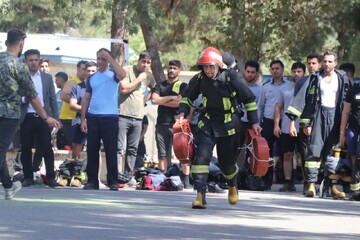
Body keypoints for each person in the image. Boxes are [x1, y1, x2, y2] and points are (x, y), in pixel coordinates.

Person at [177, 47, 261, 209]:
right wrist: (182, 112)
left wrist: (255, 122)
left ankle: (232, 184)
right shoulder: (199, 79)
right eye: (205, 66)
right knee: (201, 158)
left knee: (226, 165)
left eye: (210, 66)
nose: (207, 70)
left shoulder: (232, 77)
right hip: (207, 123)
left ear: (218, 66)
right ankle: (200, 196)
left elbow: (249, 99)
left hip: (230, 125)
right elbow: (187, 97)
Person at [0, 29, 60, 199]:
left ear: (6, 43)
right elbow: (33, 96)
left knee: (1, 150)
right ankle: (9, 185)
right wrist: (45, 116)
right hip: (9, 115)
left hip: (8, 114)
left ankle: (8, 185)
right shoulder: (19, 67)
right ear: (21, 44)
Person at [286, 51, 351, 197]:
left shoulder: (343, 79)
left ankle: (332, 186)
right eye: (325, 61)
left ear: (335, 63)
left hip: (335, 117)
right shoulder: (315, 78)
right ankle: (310, 185)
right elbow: (301, 99)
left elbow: (349, 103)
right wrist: (295, 122)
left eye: (330, 61)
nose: (327, 64)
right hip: (317, 117)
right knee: (313, 150)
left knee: (333, 153)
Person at [81, 48, 126, 191]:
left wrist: (111, 59)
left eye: (104, 59)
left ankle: (112, 181)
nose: (101, 61)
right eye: (99, 58)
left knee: (111, 150)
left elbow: (122, 74)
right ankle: (92, 181)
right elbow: (86, 97)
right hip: (93, 116)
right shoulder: (91, 77)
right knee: (92, 150)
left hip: (110, 117)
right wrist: (83, 118)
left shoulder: (113, 74)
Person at [20, 49, 59, 187]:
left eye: (36, 60)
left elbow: (53, 99)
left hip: (44, 117)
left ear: (40, 61)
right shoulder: (21, 77)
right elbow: (16, 97)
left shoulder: (47, 78)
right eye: (31, 60)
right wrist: (25, 99)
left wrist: (55, 118)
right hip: (27, 116)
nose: (34, 63)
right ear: (25, 61)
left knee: (47, 148)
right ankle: (28, 177)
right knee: (25, 149)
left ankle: (51, 177)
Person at [151, 60, 189, 185]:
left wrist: (163, 100)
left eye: (174, 68)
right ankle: (162, 177)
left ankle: (186, 179)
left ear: (179, 70)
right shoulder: (160, 85)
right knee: (162, 153)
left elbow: (180, 102)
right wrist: (172, 97)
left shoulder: (183, 86)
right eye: (170, 67)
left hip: (177, 124)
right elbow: (154, 100)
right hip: (161, 124)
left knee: (182, 153)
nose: (172, 70)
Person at [118, 51, 156, 174]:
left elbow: (155, 88)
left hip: (138, 117)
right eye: (143, 61)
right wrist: (139, 79)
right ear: (139, 61)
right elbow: (124, 89)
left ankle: (128, 175)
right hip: (123, 115)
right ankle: (115, 174)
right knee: (119, 148)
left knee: (133, 149)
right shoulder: (127, 70)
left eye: (148, 63)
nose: (145, 65)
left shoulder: (149, 76)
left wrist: (145, 100)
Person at [257, 60, 292, 189]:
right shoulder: (265, 87)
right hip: (267, 122)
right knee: (267, 152)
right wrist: (258, 123)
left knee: (286, 152)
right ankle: (266, 181)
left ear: (282, 70)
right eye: (272, 68)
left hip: (285, 122)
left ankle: (287, 181)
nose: (274, 71)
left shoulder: (289, 86)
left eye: (277, 68)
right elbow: (260, 106)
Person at [293, 53, 322, 194]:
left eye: (314, 63)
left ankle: (324, 183)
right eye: (309, 63)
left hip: (322, 123)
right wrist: (297, 124)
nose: (311, 66)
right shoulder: (301, 82)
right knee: (305, 153)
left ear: (320, 64)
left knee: (323, 153)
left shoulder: (326, 80)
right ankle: (308, 182)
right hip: (305, 124)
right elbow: (297, 104)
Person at [274, 62, 306, 192]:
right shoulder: (285, 88)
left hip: (303, 127)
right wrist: (276, 125)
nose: (296, 74)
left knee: (303, 155)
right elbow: (278, 107)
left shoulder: (307, 86)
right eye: (294, 72)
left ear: (303, 73)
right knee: (287, 154)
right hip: (287, 127)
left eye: (299, 71)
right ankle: (288, 181)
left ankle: (307, 182)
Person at [69, 61, 97, 159]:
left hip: (96, 121)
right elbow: (72, 105)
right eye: (88, 70)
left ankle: (96, 175)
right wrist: (85, 110)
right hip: (79, 121)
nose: (90, 73)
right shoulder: (77, 87)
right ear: (85, 72)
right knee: (76, 150)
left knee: (95, 152)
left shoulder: (100, 87)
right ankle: (75, 172)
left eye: (93, 71)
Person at [339, 81, 360, 200]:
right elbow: (345, 112)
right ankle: (356, 188)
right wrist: (342, 133)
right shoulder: (353, 89)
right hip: (353, 129)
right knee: (353, 157)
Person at [60, 60, 88, 149]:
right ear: (77, 69)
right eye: (83, 69)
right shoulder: (72, 82)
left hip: (78, 118)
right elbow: (63, 96)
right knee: (75, 145)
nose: (85, 72)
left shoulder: (86, 84)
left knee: (80, 145)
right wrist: (79, 105)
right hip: (69, 119)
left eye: (86, 69)